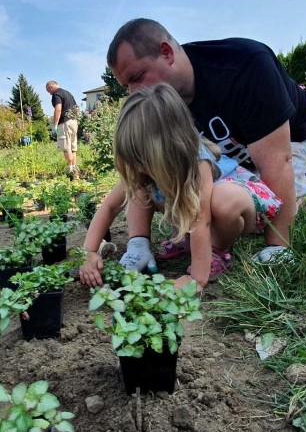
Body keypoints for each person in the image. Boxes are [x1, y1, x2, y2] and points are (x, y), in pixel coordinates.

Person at [106, 18, 306, 271]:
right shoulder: (157, 104)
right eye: (126, 86)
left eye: (137, 77)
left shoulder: (246, 66)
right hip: (220, 158)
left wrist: (277, 246)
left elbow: (279, 161)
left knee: (273, 208)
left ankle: (287, 216)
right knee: (215, 204)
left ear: (166, 52)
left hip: (285, 137)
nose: (134, 93)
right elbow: (139, 174)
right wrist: (138, 243)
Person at [79, 84, 281, 291]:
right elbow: (109, 207)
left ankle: (216, 251)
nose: (137, 166)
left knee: (222, 200)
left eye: (141, 159)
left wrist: (196, 280)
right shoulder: (142, 167)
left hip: (243, 199)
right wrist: (89, 253)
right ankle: (185, 242)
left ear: (169, 149)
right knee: (138, 185)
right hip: (200, 212)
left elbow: (201, 220)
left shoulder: (197, 162)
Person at [45, 80, 79, 177]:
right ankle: (75, 170)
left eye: (48, 90)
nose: (49, 93)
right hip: (74, 122)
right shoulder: (68, 93)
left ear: (50, 87)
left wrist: (55, 125)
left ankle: (70, 171)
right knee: (73, 148)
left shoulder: (56, 94)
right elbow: (76, 108)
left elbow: (58, 108)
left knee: (66, 147)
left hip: (65, 122)